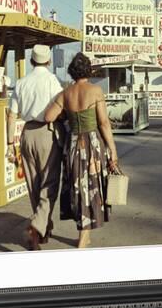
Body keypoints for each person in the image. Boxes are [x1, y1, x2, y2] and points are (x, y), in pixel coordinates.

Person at [44, 52, 118, 249]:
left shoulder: (66, 93)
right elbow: (103, 123)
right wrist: (113, 151)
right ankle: (83, 236)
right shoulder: (95, 91)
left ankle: (83, 232)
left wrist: (66, 117)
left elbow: (49, 116)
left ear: (71, 72)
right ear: (89, 70)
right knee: (91, 187)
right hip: (92, 143)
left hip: (73, 143)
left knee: (77, 187)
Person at [6, 44, 64, 250]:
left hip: (26, 133)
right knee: (50, 183)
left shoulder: (21, 83)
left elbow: (12, 115)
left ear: (32, 61)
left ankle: (43, 228)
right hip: (46, 132)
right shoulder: (51, 81)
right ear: (48, 61)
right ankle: (36, 227)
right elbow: (61, 106)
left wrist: (9, 143)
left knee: (33, 183)